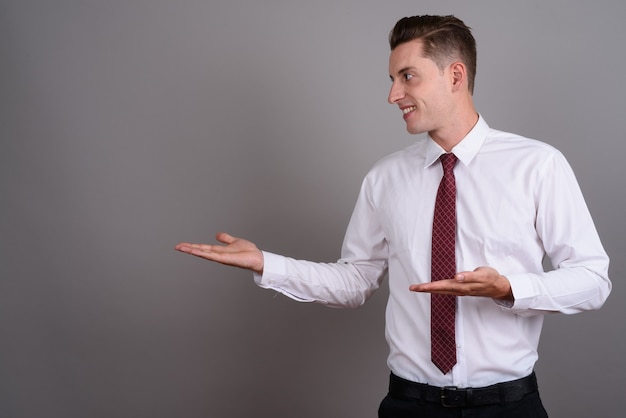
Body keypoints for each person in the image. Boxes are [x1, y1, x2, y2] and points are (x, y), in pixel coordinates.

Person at [176, 15, 611, 417]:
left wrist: (509, 287)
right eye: (391, 79)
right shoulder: (385, 178)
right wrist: (267, 264)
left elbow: (593, 280)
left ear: (455, 75)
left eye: (407, 77)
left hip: (508, 406)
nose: (392, 95)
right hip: (409, 405)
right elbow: (355, 281)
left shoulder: (537, 165)